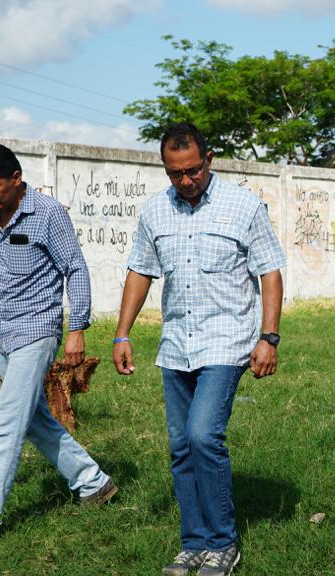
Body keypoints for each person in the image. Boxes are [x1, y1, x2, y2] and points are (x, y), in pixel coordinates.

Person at [112, 122, 285, 576]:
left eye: (192, 170)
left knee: (203, 436)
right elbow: (140, 271)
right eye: (175, 173)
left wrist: (269, 336)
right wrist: (122, 333)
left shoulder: (244, 206)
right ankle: (194, 543)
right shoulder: (155, 210)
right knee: (180, 446)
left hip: (227, 340)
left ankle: (223, 543)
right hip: (176, 344)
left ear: (209, 160)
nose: (185, 180)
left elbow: (269, 271)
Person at [0, 144, 117, 552]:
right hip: (6, 332)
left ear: (16, 178)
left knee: (5, 426)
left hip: (38, 331)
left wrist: (77, 327)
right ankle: (94, 483)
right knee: (35, 419)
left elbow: (75, 268)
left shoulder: (48, 214)